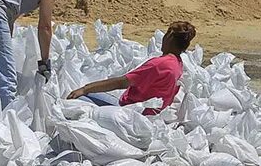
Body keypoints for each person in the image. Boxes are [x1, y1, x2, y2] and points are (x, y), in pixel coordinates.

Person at [67, 21, 196, 116]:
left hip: (131, 112)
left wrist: (85, 89)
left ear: (169, 38)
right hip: (152, 113)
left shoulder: (159, 64)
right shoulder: (178, 64)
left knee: (77, 99)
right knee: (90, 94)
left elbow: (122, 82)